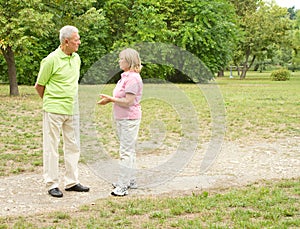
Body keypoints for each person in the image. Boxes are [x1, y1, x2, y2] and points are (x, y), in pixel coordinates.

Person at [35, 25, 89, 198]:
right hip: (53, 110)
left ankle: (72, 181)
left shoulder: (77, 58)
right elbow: (39, 85)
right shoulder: (50, 60)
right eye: (76, 40)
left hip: (72, 109)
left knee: (73, 146)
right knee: (51, 147)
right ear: (66, 41)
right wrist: (51, 102)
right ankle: (52, 183)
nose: (79, 42)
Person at [98, 48, 143, 196]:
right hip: (122, 118)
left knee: (126, 151)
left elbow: (128, 101)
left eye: (121, 59)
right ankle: (130, 180)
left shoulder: (133, 79)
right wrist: (110, 100)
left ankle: (123, 186)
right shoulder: (124, 77)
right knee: (128, 150)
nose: (119, 61)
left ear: (129, 61)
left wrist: (111, 99)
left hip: (129, 119)